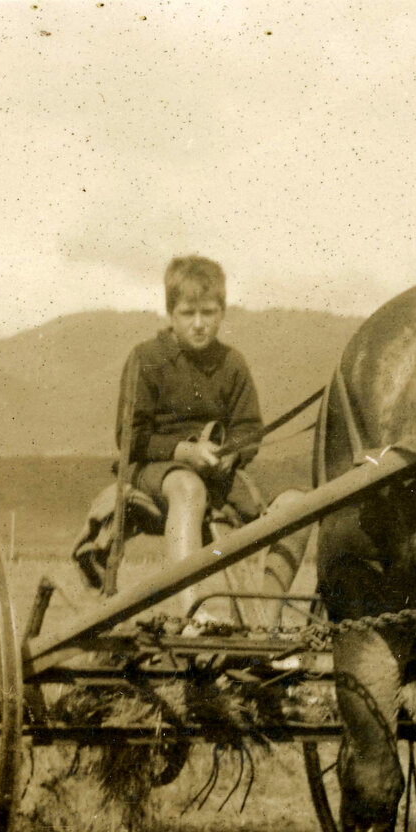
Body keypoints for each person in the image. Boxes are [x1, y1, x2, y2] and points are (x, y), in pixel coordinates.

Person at [115, 254, 264, 623]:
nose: (199, 324)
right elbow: (129, 437)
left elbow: (249, 429)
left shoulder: (232, 363)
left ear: (222, 312)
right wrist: (184, 451)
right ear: (170, 313)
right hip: (151, 470)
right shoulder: (146, 358)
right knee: (187, 488)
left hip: (214, 473)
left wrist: (232, 455)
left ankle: (261, 622)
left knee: (290, 508)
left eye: (209, 312)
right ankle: (192, 614)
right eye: (188, 313)